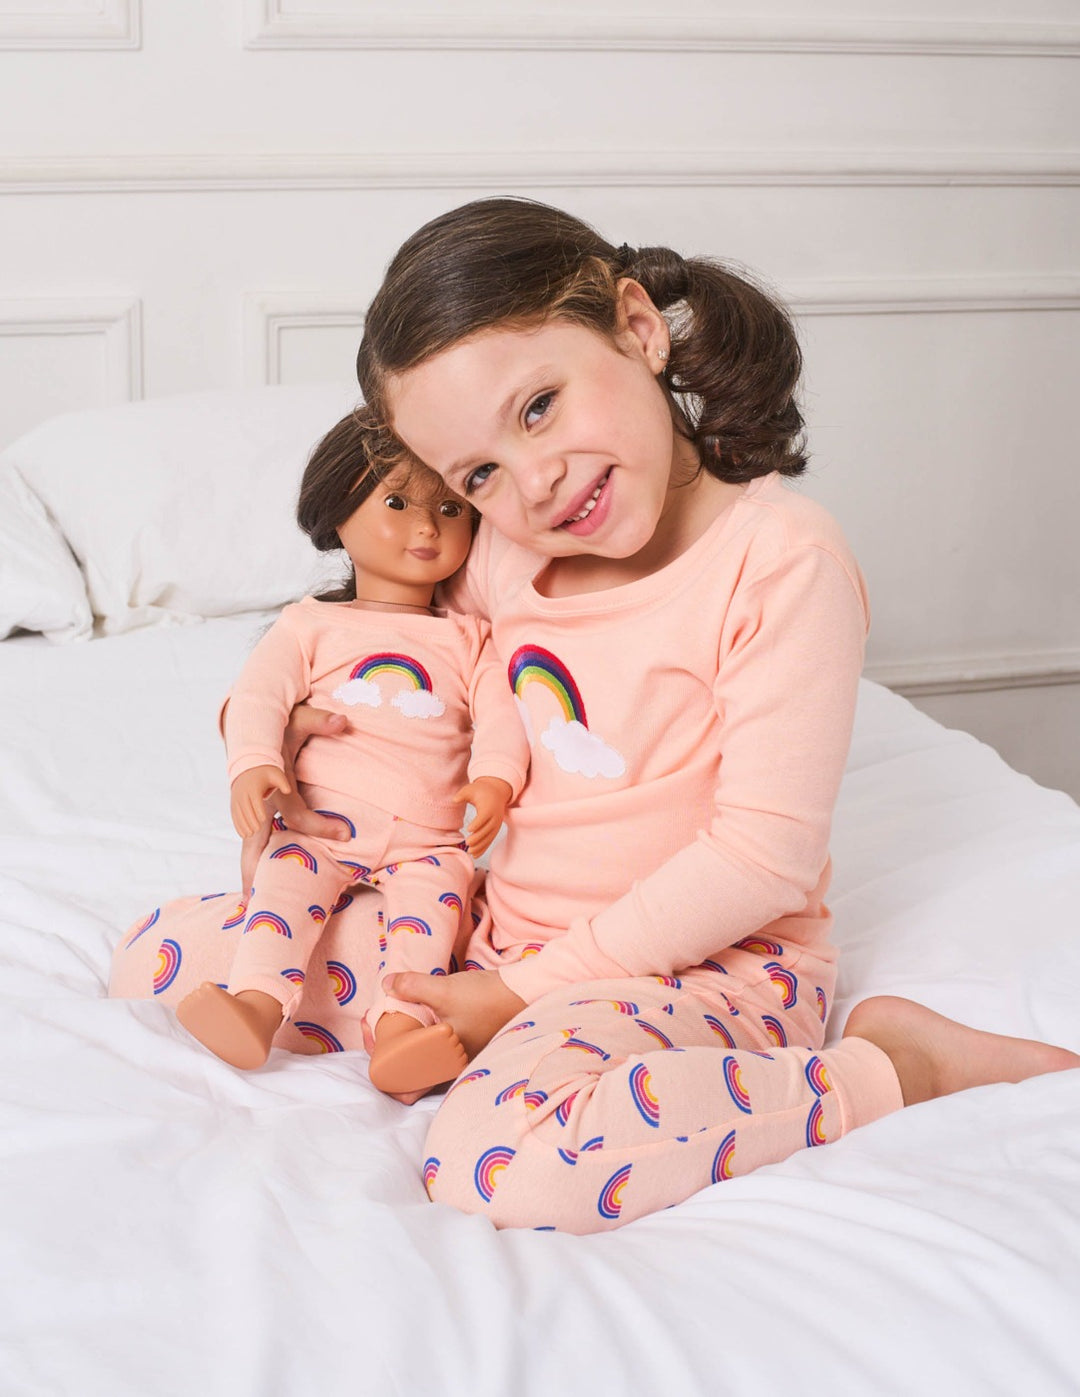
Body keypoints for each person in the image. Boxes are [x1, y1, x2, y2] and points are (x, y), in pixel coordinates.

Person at [112, 198, 1078, 1232]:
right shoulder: (506, 551)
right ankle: (482, 1031)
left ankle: (890, 1065)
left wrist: (525, 992)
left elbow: (764, 858)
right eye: (478, 474)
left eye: (538, 407)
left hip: (707, 971)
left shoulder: (780, 561)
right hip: (489, 936)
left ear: (638, 326)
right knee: (164, 953)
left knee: (504, 1162)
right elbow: (409, 667)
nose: (534, 484)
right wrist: (295, 740)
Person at [134, 411, 530, 1095]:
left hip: (430, 840)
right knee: (281, 900)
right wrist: (255, 763)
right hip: (321, 826)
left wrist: (495, 781)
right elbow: (257, 697)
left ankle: (400, 1032)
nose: (427, 528)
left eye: (450, 510)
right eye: (398, 504)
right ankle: (255, 1007)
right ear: (338, 513)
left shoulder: (471, 637)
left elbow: (502, 718)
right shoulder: (309, 623)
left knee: (427, 929)